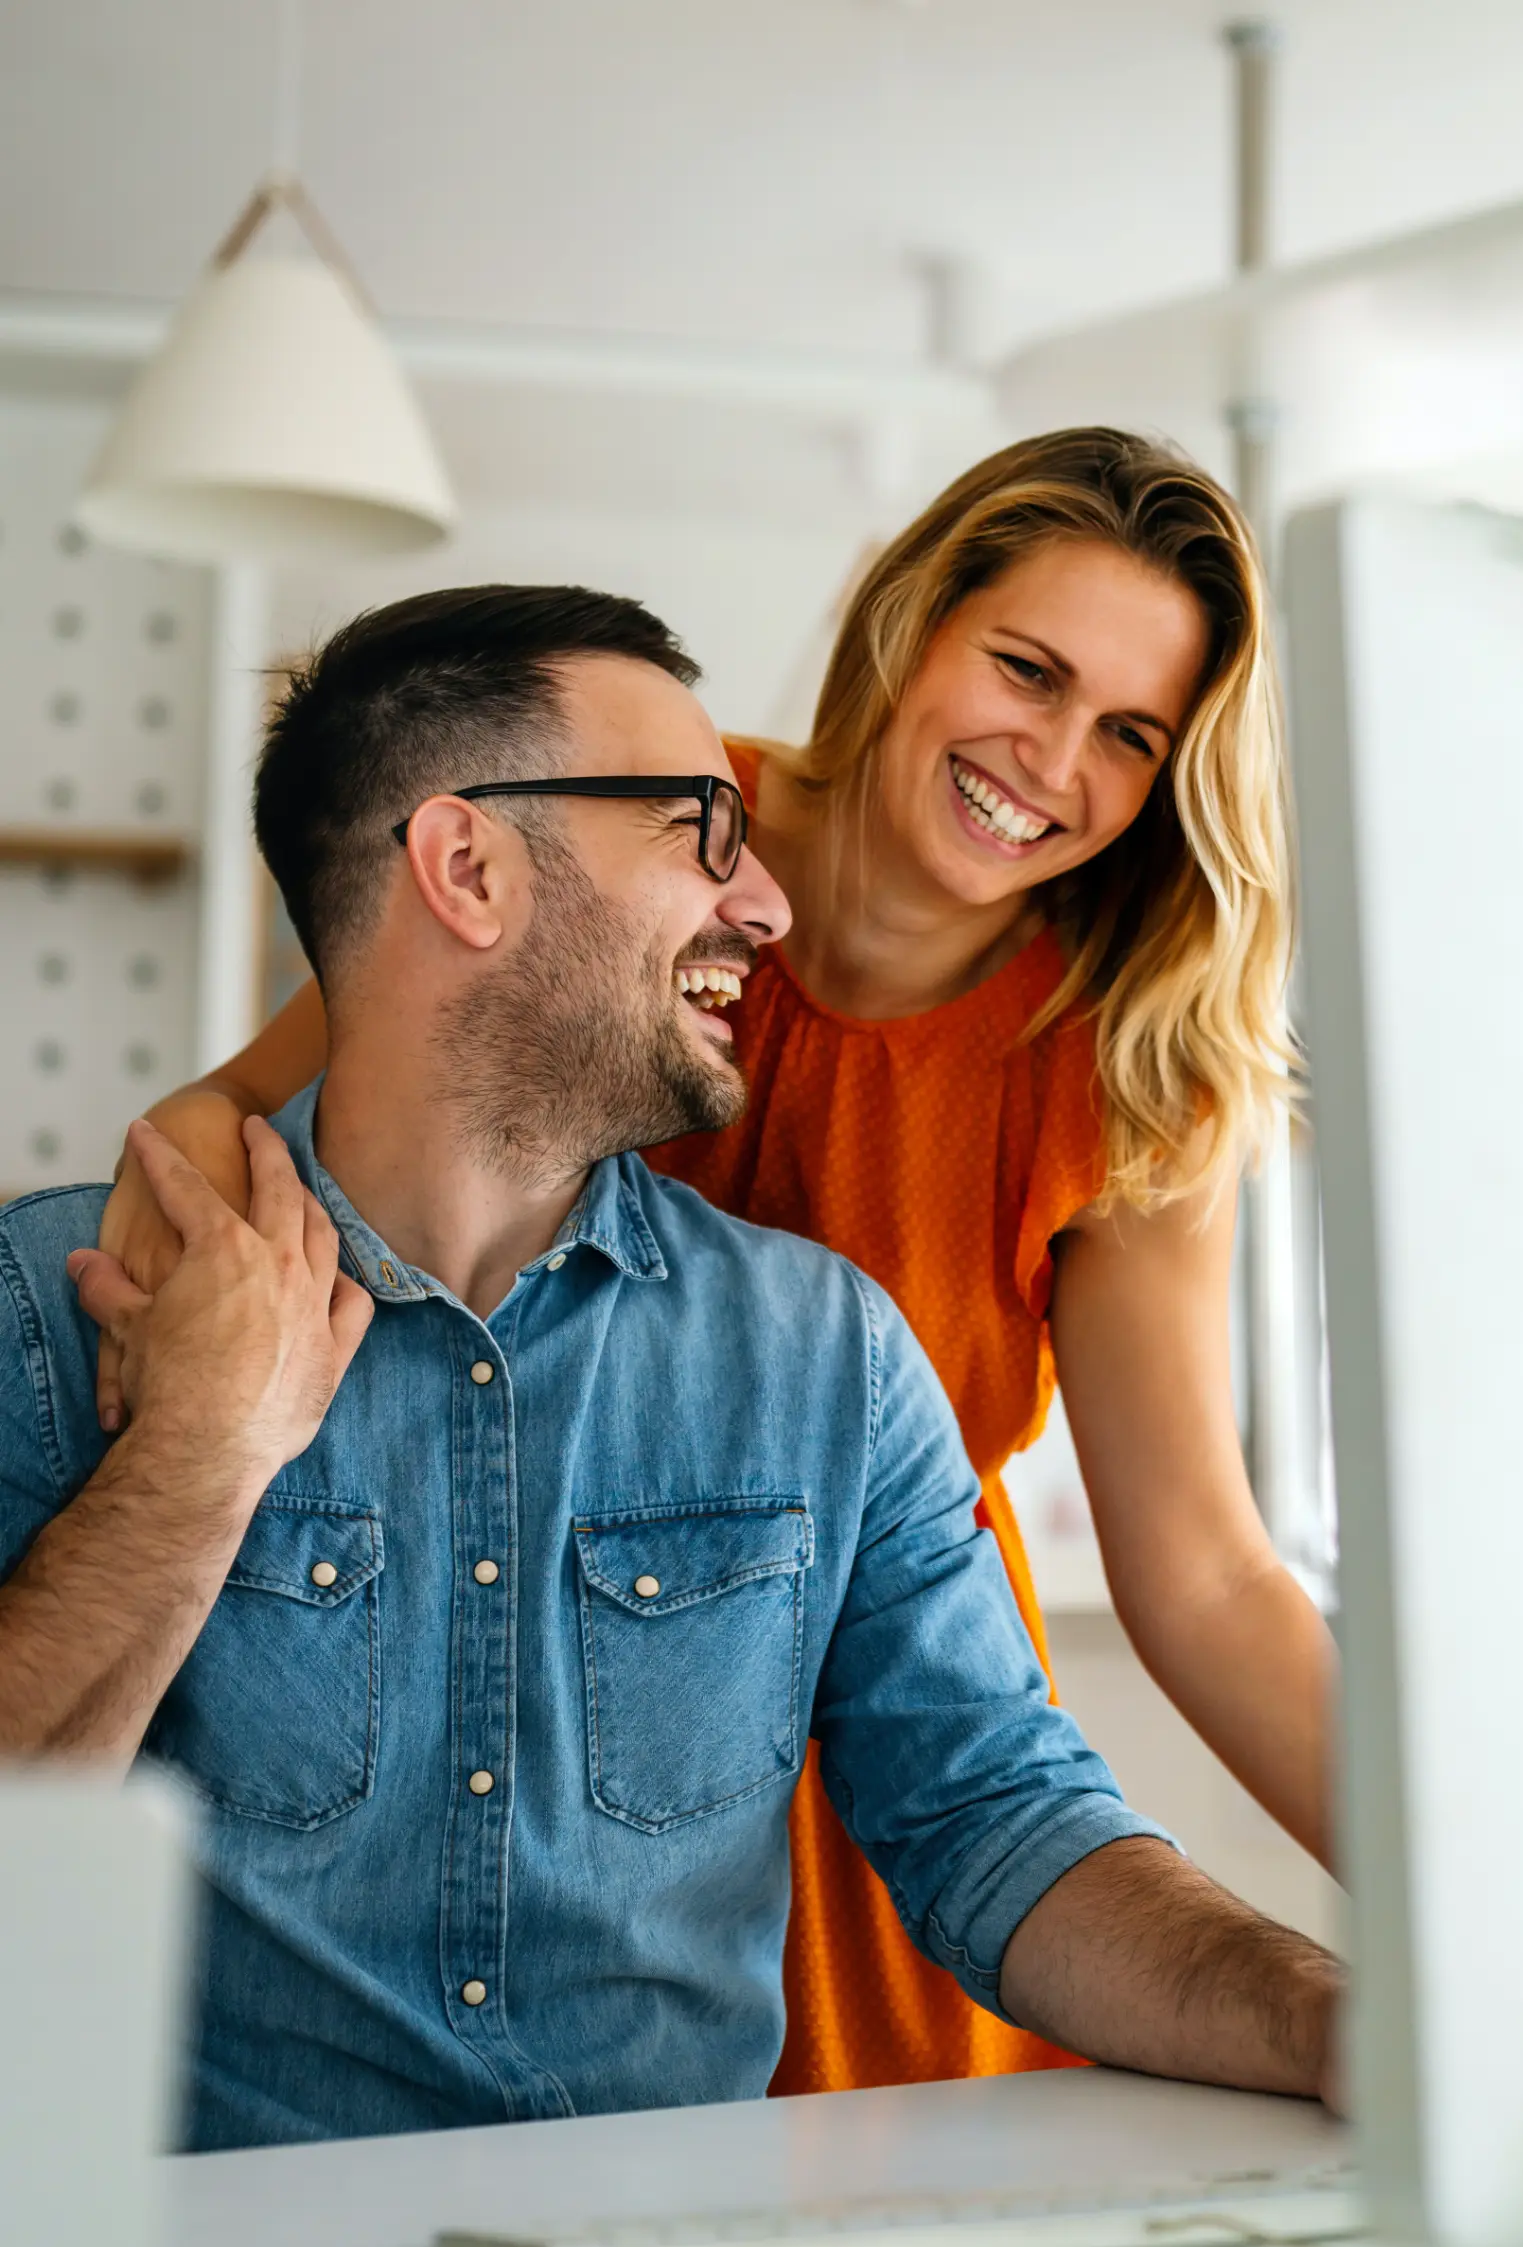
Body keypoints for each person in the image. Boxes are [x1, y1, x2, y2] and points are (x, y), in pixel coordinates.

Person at [0, 586, 1338, 2151]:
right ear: (469, 868)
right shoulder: (67, 1301)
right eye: (703, 831)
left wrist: (1329, 2018)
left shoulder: (829, 1357)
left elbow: (1002, 1823)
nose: (766, 908)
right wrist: (203, 1451)